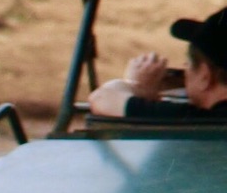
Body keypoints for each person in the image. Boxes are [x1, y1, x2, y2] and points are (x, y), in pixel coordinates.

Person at [89, 7, 227, 119]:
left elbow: (102, 98)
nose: (185, 72)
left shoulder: (196, 118)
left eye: (188, 65)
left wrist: (139, 87)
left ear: (205, 75)